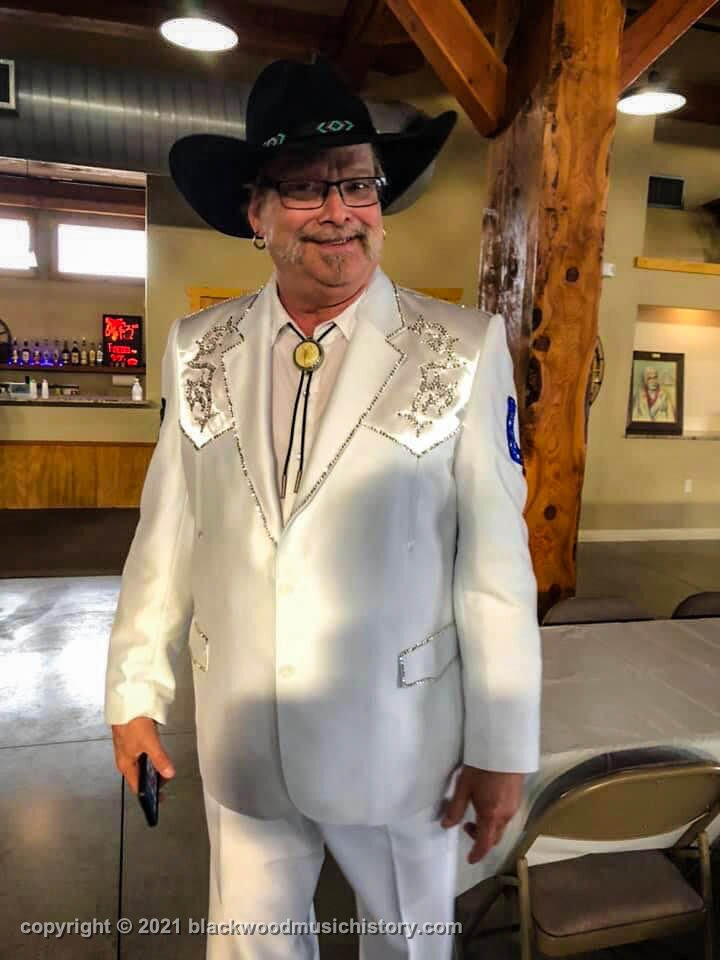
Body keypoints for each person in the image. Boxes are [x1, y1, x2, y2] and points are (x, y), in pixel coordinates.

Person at [105, 59, 541, 960]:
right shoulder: (197, 348)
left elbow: (496, 567)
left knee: (409, 946)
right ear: (256, 213)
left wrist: (504, 746)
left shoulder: (461, 349)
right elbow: (167, 535)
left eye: (357, 184)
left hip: (403, 746)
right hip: (243, 741)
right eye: (305, 188)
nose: (339, 211)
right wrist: (134, 692)